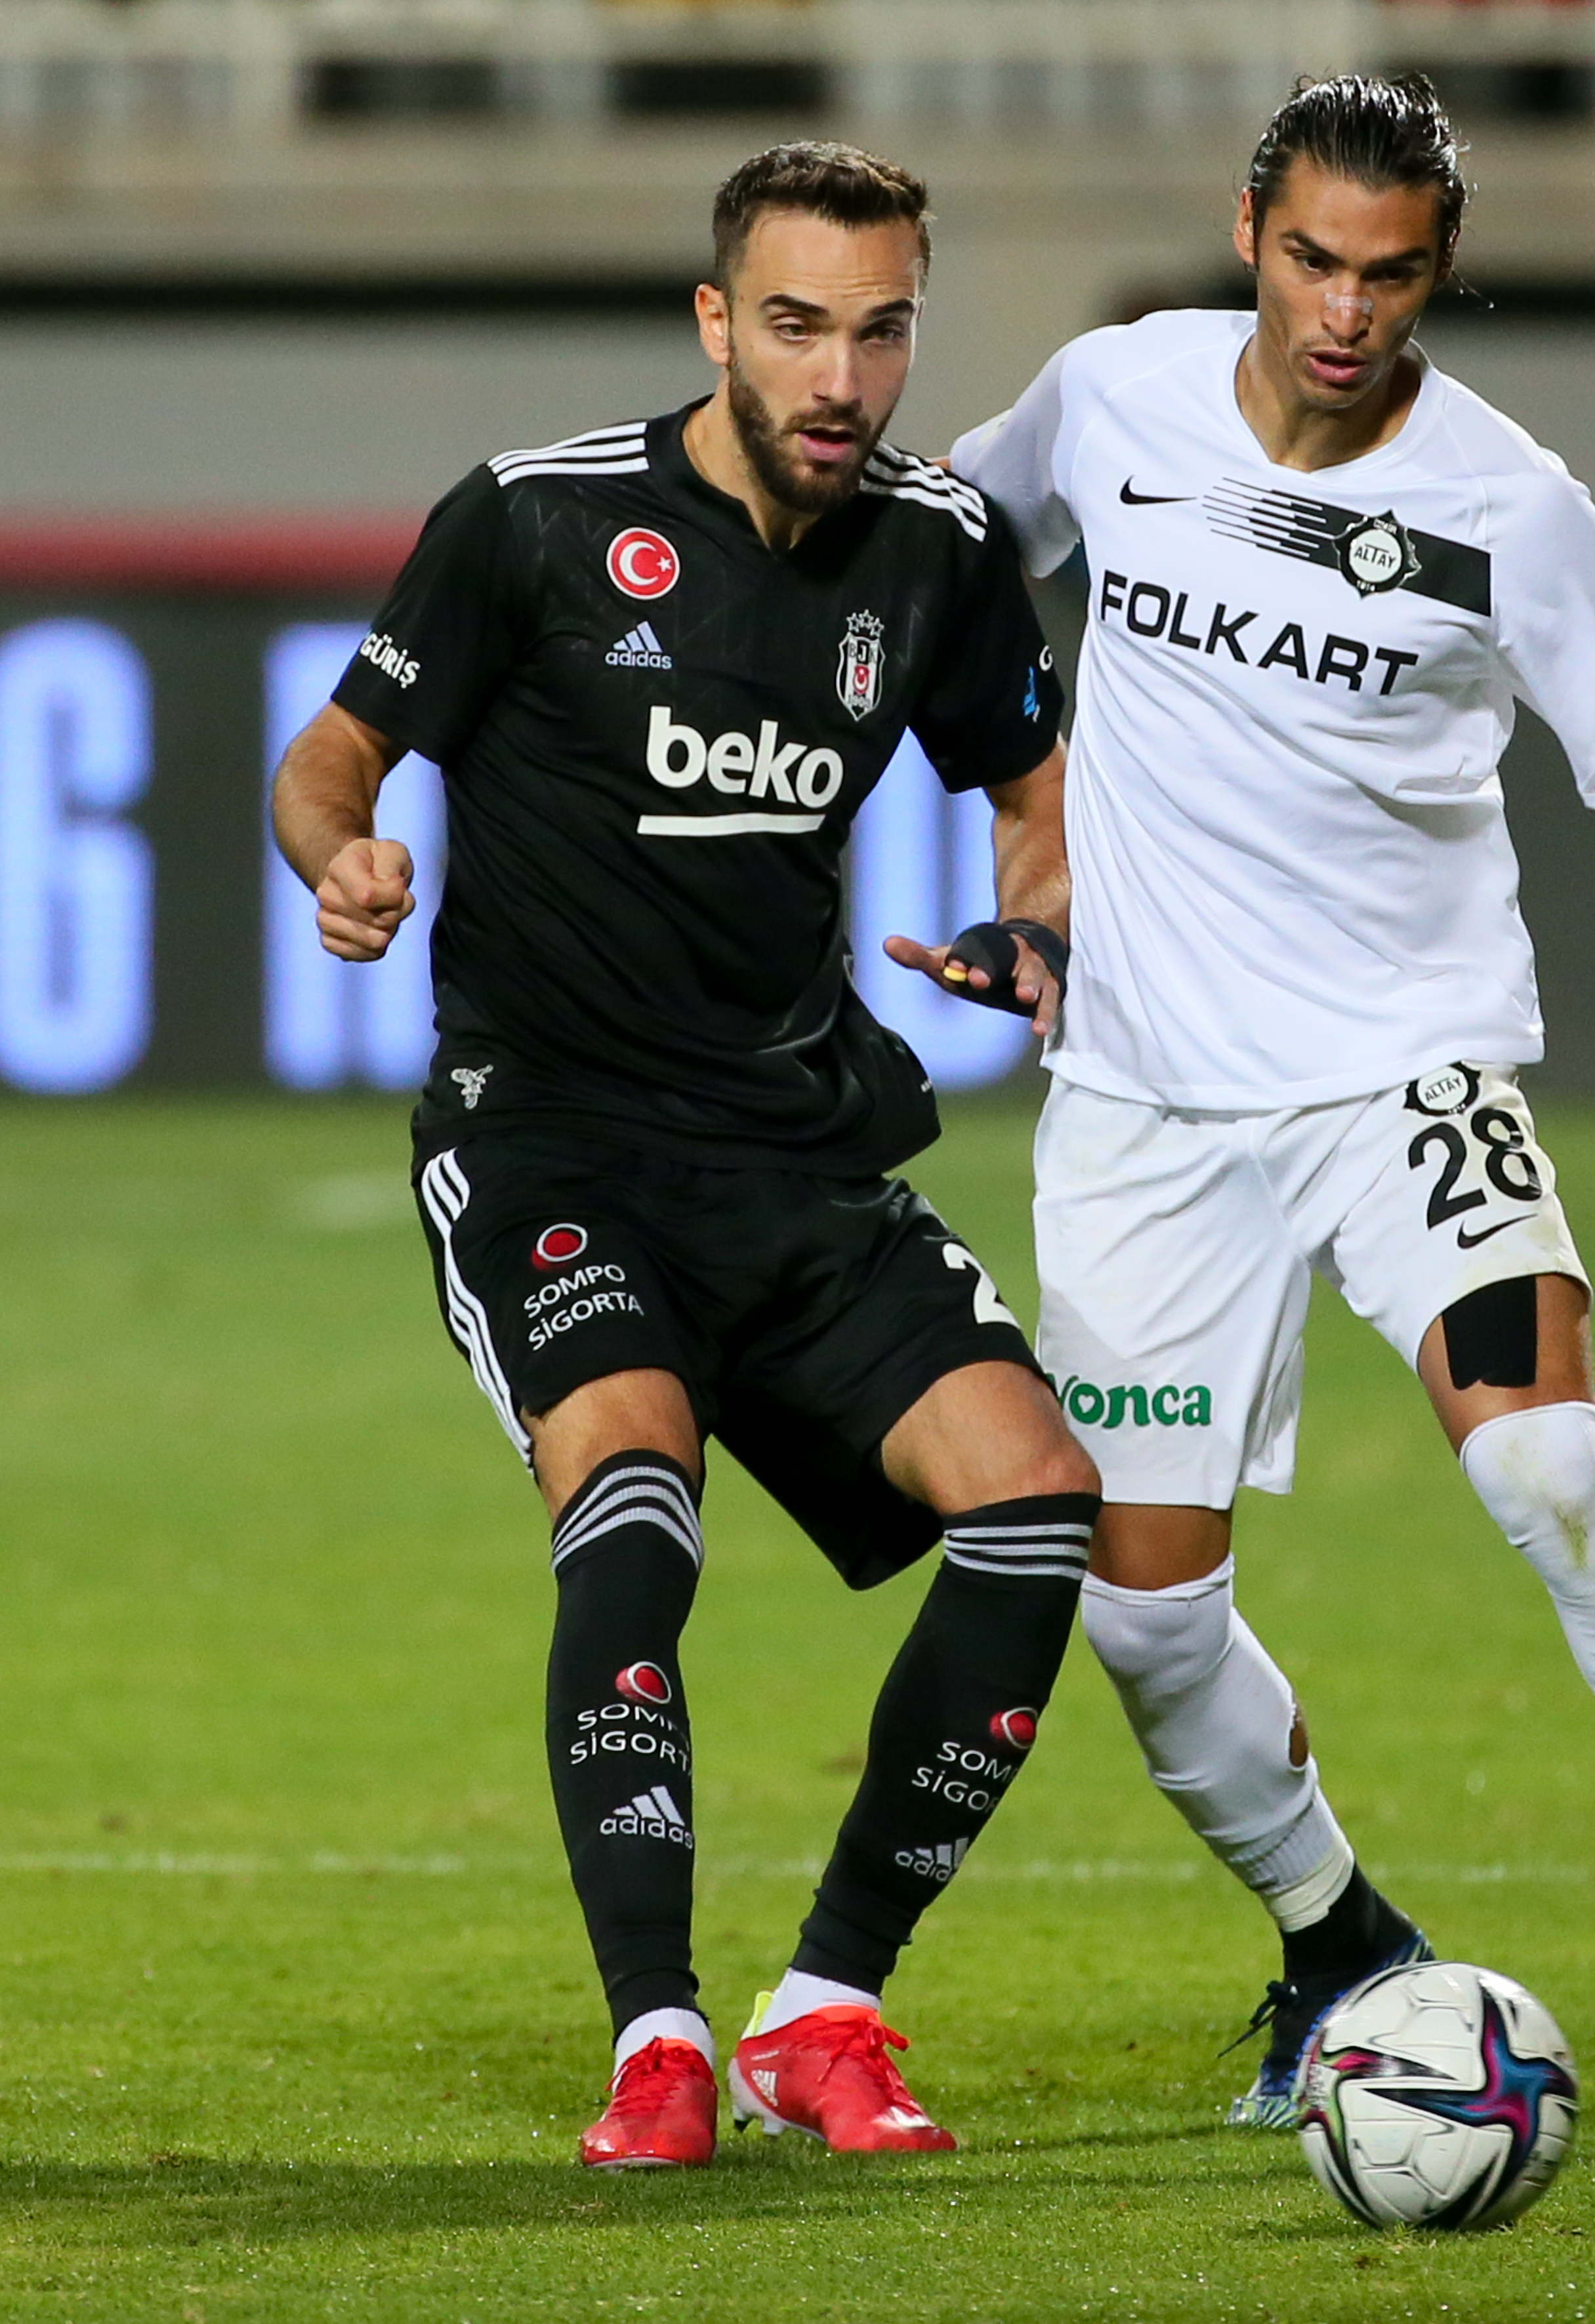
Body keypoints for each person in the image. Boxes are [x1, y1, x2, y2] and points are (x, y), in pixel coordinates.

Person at [940, 75, 1595, 2125]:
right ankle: (1337, 1949)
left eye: (1387, 274)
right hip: (1143, 1113)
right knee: (1142, 1617)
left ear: (1439, 270)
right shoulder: (1108, 402)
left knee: (1546, 1466)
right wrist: (1029, 867)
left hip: (1405, 1074)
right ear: (1245, 232)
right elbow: (935, 585)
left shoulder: (1507, 502)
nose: (1343, 311)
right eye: (1310, 261)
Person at [270, 141, 1099, 2170]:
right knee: (633, 1487)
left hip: (794, 1152)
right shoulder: (535, 522)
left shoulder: (940, 549)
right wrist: (341, 859)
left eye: (882, 330)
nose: (841, 376)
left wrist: (1040, 924)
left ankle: (826, 2009)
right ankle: (655, 2034)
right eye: (798, 326)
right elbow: (334, 749)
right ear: (715, 322)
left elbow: (1031, 780)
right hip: (548, 1133)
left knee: (1040, 1503)